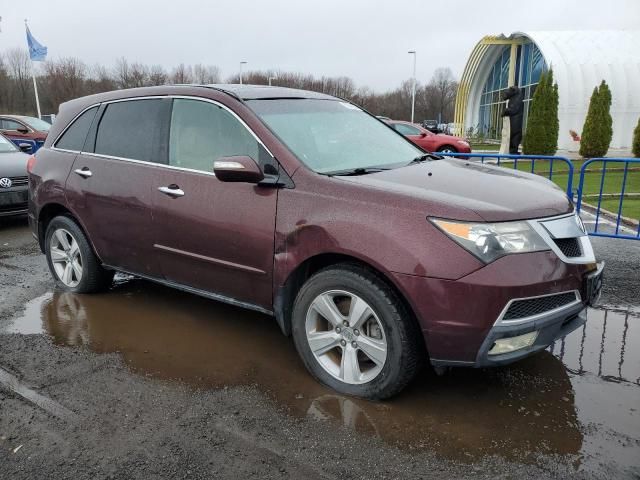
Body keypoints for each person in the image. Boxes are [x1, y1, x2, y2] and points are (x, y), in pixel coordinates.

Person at [501, 86, 524, 154]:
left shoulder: (517, 99)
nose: (505, 96)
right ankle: (512, 150)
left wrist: (505, 111)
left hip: (515, 122)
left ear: (513, 92)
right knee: (512, 136)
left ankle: (513, 151)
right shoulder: (514, 98)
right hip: (514, 121)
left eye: (506, 94)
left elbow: (513, 110)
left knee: (515, 136)